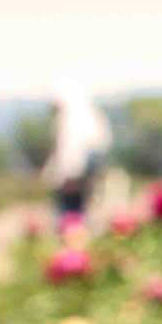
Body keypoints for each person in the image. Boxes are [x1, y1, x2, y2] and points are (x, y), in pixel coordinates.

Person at [44, 84, 112, 225]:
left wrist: (68, 175)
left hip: (73, 177)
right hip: (86, 175)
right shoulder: (92, 116)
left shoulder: (69, 118)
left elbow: (69, 151)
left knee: (70, 216)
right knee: (84, 211)